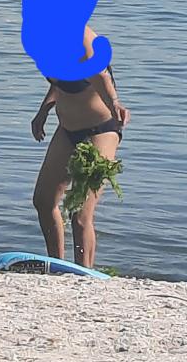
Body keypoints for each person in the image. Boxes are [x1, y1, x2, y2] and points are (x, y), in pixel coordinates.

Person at [31, 24, 130, 269]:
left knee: (80, 213)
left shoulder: (83, 37)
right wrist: (44, 110)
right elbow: (59, 80)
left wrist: (114, 103)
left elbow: (100, 76)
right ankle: (57, 265)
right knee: (43, 200)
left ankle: (84, 274)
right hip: (67, 130)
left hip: (101, 130)